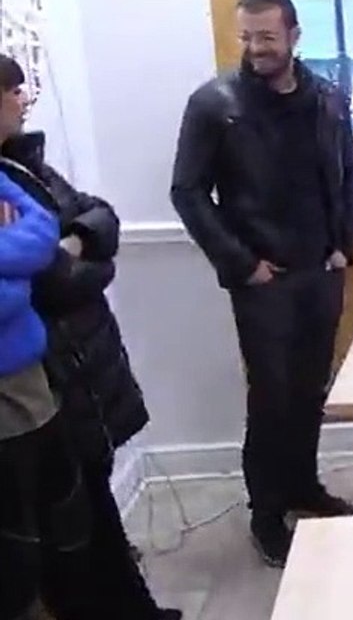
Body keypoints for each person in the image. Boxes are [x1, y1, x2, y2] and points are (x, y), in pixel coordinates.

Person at [170, 0, 353, 567]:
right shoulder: (215, 105)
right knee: (271, 397)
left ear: (294, 37)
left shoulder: (328, 98)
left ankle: (303, 486)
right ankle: (266, 512)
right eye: (247, 37)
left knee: (310, 390)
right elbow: (187, 192)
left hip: (321, 272)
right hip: (263, 281)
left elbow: (350, 171)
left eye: (268, 37)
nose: (256, 48)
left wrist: (345, 246)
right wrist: (242, 265)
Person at [0, 55, 179, 619]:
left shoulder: (22, 166)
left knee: (96, 512)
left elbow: (98, 217)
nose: (23, 101)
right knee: (70, 525)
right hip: (50, 372)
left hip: (84, 363)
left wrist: (72, 246)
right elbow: (48, 279)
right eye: (13, 91)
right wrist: (73, 255)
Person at [0, 73, 83, 619]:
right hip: (5, 403)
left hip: (31, 382)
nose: (23, 100)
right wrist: (18, 268)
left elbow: (43, 228)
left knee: (58, 524)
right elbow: (16, 288)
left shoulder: (6, 174)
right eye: (12, 91)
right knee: (16, 545)